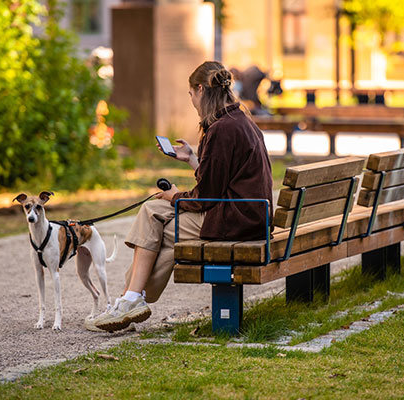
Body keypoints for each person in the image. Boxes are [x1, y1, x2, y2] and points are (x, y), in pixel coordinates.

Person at [93, 61, 273, 332]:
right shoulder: (240, 120)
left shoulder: (221, 129)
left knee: (159, 227)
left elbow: (206, 197)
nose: (191, 101)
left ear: (200, 89)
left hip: (236, 221)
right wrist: (193, 159)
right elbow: (221, 182)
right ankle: (130, 300)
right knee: (155, 218)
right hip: (249, 214)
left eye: (191, 94)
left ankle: (129, 299)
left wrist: (176, 196)